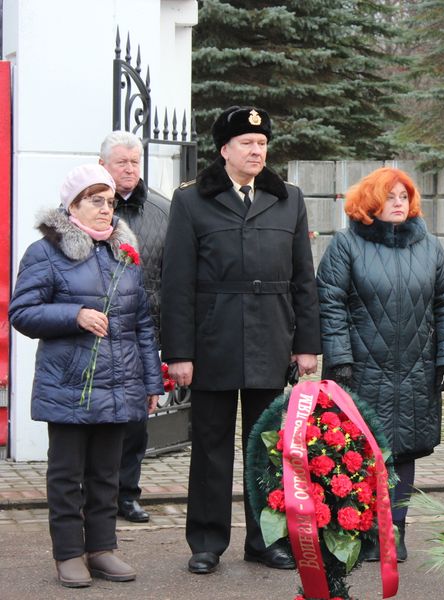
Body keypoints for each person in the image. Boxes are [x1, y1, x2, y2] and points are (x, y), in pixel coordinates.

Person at [161, 106, 321, 574]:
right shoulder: (191, 201)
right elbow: (177, 282)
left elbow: (303, 279)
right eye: (247, 144)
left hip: (271, 336)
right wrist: (179, 353)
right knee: (210, 446)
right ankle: (207, 542)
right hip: (213, 337)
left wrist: (306, 344)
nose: (257, 151)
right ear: (225, 150)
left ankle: (265, 539)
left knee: (266, 446)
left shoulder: (287, 198)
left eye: (263, 143)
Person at [9, 164, 163, 587]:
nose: (105, 209)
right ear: (72, 205)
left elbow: (142, 324)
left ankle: (102, 548)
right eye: (95, 200)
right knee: (66, 476)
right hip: (69, 387)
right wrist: (74, 315)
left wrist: (151, 382)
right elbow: (21, 312)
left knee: (106, 475)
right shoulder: (46, 251)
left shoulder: (123, 252)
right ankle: (68, 554)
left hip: (117, 387)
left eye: (110, 201)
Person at [317, 167, 444, 562]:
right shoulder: (346, 246)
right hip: (361, 369)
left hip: (415, 369)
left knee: (404, 452)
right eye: (390, 196)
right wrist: (340, 358)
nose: (399, 203)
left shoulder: (429, 247)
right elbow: (329, 303)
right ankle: (359, 529)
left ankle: (394, 532)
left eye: (404, 196)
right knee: (359, 452)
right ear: (370, 203)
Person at [99, 130, 171, 524]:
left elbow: (174, 276)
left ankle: (127, 494)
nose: (128, 169)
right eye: (120, 162)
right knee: (98, 420)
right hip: (97, 333)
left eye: (134, 162)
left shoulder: (163, 210)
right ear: (102, 166)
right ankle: (95, 495)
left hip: (145, 334)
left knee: (136, 423)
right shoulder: (85, 206)